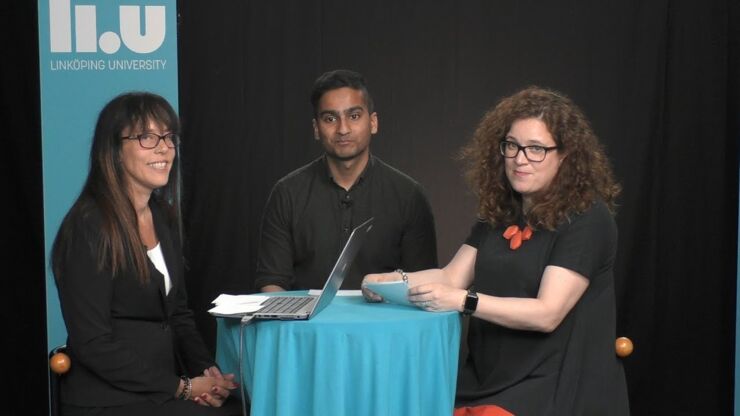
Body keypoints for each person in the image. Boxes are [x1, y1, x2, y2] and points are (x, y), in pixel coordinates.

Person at [363, 86, 629, 415]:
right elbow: (451, 276)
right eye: (512, 146)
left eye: (536, 149)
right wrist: (391, 282)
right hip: (487, 379)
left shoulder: (588, 218)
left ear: (565, 156)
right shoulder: (502, 212)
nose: (520, 159)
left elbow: (547, 314)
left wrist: (465, 302)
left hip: (552, 386)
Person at [51, 92, 240, 416]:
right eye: (147, 137)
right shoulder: (88, 227)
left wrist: (208, 374)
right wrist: (182, 388)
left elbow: (178, 314)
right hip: (108, 400)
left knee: (243, 405)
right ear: (113, 150)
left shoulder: (163, 216)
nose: (164, 147)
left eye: (168, 137)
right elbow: (92, 344)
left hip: (159, 392)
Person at [255, 69, 438, 292]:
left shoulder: (409, 195)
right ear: (316, 128)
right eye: (330, 118)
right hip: (307, 326)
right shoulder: (287, 194)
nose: (342, 129)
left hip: (384, 326)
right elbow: (271, 283)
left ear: (373, 122)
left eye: (354, 116)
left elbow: (425, 284)